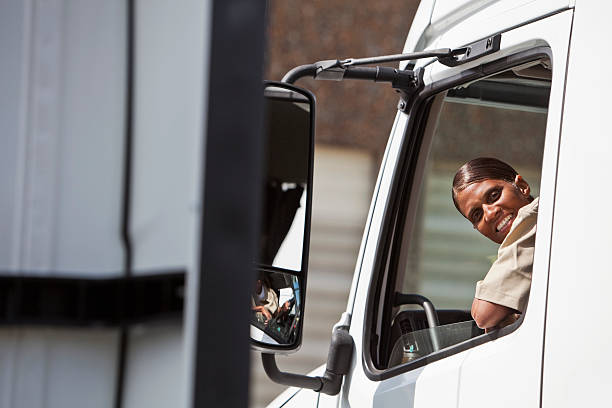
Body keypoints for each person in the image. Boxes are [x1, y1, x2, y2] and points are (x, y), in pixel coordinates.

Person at [452, 157, 538, 331]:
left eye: (493, 195)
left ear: (522, 186)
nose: (490, 213)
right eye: (477, 214)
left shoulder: (534, 216)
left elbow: (484, 314)